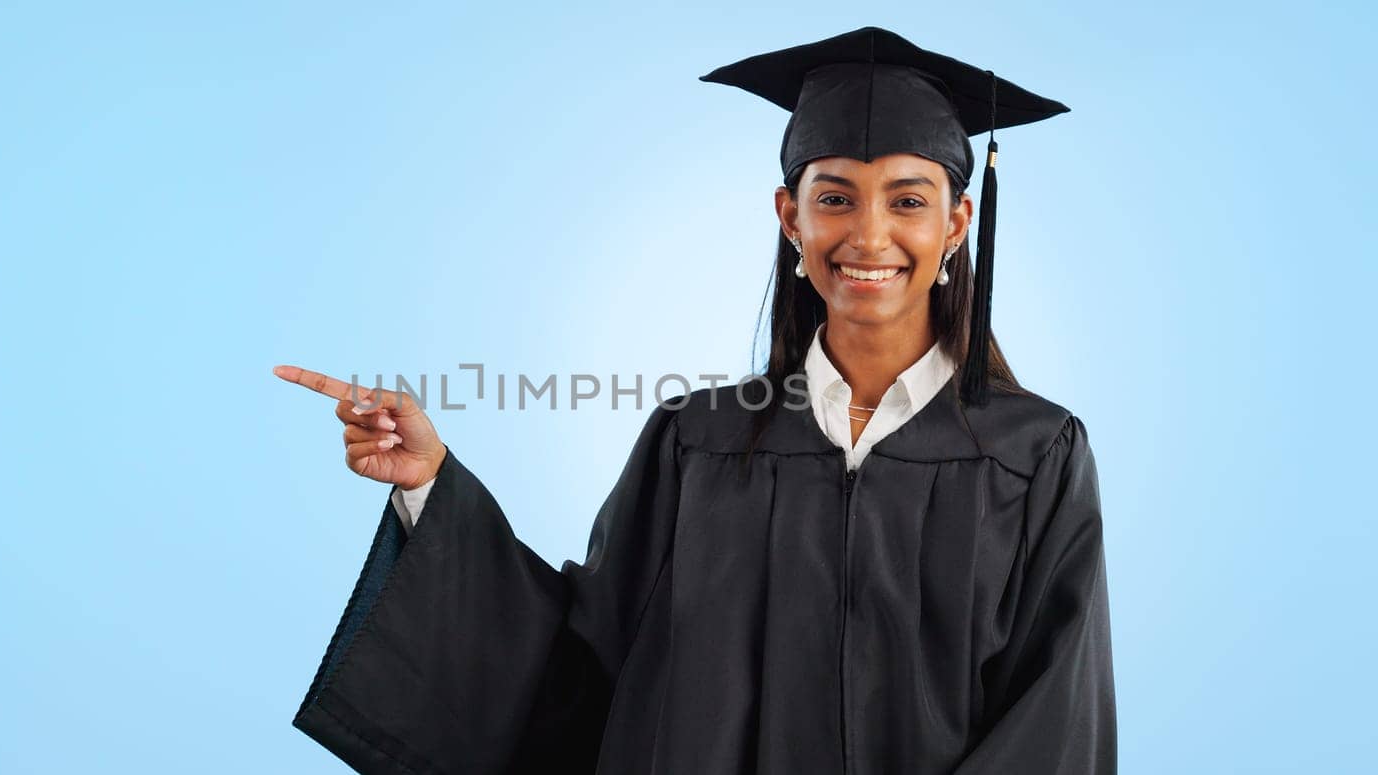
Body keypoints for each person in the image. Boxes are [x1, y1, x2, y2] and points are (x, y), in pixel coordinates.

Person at [274, 25, 1116, 775]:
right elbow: (581, 657)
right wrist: (431, 483)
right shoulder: (697, 440)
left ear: (957, 224)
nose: (867, 236)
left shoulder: (1034, 454)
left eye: (907, 200)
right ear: (790, 218)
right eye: (833, 198)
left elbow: (1056, 716)